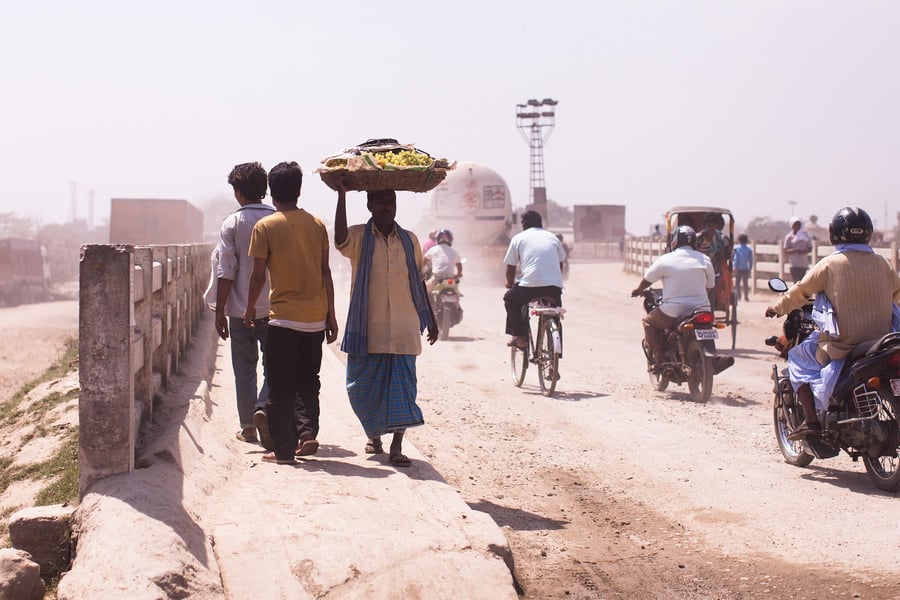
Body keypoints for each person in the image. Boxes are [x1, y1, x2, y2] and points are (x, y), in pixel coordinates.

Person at [766, 206, 900, 440]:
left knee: (797, 357)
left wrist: (776, 308)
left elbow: (800, 291)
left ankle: (811, 422)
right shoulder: (882, 263)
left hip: (844, 344)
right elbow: (897, 293)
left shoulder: (829, 264)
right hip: (881, 341)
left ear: (834, 233)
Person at [334, 184, 438, 468]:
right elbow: (340, 240)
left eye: (390, 200)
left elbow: (417, 280)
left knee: (402, 390)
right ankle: (374, 436)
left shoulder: (410, 240)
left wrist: (431, 318)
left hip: (405, 328)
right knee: (361, 389)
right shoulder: (358, 236)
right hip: (370, 330)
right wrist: (342, 196)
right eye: (380, 201)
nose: (386, 206)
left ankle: (396, 446)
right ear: (369, 206)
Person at [244, 161, 338, 465]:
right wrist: (331, 315)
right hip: (314, 319)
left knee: (280, 385)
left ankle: (284, 451)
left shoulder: (265, 227)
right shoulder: (317, 225)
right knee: (309, 381)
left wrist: (248, 309)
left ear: (272, 192)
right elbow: (326, 273)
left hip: (282, 320)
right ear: (299, 190)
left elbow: (258, 276)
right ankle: (308, 434)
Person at [215, 162, 276, 448]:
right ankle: (264, 406)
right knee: (275, 366)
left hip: (240, 311)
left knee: (244, 368)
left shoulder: (232, 224)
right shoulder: (278, 220)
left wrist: (219, 311)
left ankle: (248, 426)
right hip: (275, 310)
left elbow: (226, 272)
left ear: (238, 193)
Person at [630, 226, 715, 373]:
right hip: (701, 309)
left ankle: (661, 358)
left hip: (673, 310)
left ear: (675, 241)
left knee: (648, 322)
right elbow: (710, 285)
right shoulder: (705, 259)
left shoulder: (665, 260)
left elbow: (647, 280)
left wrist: (638, 290)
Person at [503, 211, 565, 350]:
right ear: (540, 223)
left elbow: (511, 266)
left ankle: (519, 337)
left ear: (523, 224)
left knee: (510, 299)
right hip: (554, 287)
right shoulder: (553, 238)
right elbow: (560, 263)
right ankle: (555, 352)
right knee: (555, 312)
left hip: (529, 287)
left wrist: (510, 283)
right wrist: (555, 280)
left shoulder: (518, 238)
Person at [423, 229, 463, 295]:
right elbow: (459, 264)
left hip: (437, 277)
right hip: (450, 279)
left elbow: (425, 260)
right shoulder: (454, 251)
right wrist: (459, 274)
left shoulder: (434, 249)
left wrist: (420, 270)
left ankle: (426, 305)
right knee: (456, 292)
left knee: (424, 290)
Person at [784, 216, 813, 283]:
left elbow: (810, 247)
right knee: (796, 281)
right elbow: (785, 250)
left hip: (803, 263)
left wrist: (805, 251)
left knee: (802, 281)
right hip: (794, 263)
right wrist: (795, 250)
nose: (797, 226)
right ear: (792, 225)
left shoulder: (805, 236)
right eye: (795, 224)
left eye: (798, 224)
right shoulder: (789, 237)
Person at [731, 233, 753, 302]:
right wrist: (750, 268)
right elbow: (751, 260)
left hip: (738, 268)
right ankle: (746, 296)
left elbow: (735, 259)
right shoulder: (749, 250)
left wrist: (734, 268)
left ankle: (738, 296)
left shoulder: (736, 249)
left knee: (737, 283)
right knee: (745, 283)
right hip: (745, 268)